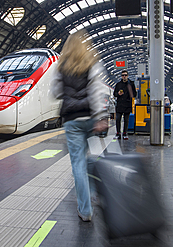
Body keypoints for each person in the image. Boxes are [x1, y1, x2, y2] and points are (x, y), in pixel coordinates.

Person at [52, 30, 108, 222]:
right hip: (89, 117)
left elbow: (55, 92)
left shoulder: (60, 67)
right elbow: (97, 91)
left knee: (78, 164)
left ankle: (85, 210)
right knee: (89, 158)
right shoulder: (91, 64)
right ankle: (97, 192)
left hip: (72, 121)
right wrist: (101, 117)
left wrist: (68, 94)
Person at [113, 70, 136, 140]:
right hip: (119, 105)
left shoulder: (131, 84)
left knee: (126, 120)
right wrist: (118, 94)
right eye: (123, 75)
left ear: (127, 76)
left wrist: (130, 92)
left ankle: (125, 133)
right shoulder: (118, 84)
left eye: (125, 75)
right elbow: (114, 94)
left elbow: (135, 94)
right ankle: (118, 133)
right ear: (121, 76)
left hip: (127, 104)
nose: (124, 76)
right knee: (118, 119)